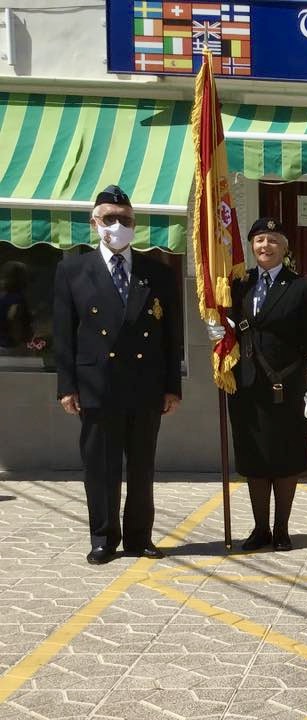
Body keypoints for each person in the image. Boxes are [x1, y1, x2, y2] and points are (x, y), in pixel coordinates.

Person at [53, 185, 181, 565]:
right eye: (109, 218)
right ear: (95, 223)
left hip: (144, 384)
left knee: (142, 467)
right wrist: (66, 386)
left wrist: (171, 387)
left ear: (135, 225)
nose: (117, 225)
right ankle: (103, 538)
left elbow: (172, 336)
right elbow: (63, 334)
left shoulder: (156, 272)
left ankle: (139, 538)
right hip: (98, 384)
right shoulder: (72, 270)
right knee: (101, 468)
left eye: (124, 219)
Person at [214, 217, 307, 552]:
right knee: (254, 460)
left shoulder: (300, 286)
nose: (266, 246)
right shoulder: (238, 283)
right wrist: (217, 333)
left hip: (287, 386)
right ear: (251, 246)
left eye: (273, 240)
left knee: (287, 458)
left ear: (285, 248)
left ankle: (281, 530)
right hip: (246, 385)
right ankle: (260, 528)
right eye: (260, 240)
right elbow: (229, 325)